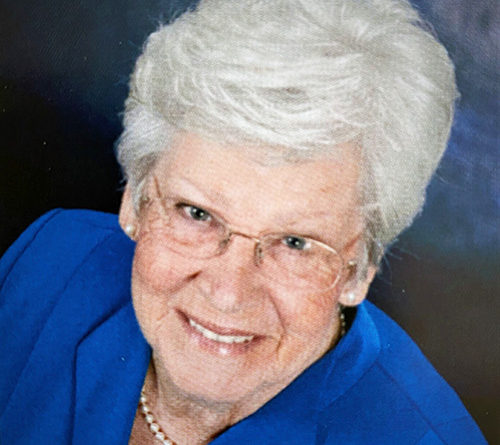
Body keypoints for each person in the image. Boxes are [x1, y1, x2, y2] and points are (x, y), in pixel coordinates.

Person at [0, 0, 487, 443]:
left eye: (294, 242)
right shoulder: (51, 262)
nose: (228, 293)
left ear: (359, 270)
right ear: (135, 200)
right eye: (197, 214)